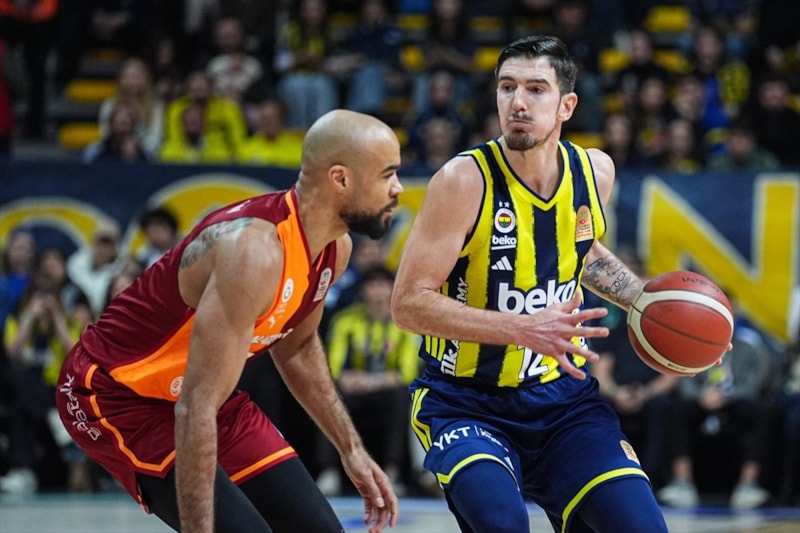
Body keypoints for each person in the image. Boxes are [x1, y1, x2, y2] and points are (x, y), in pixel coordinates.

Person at [55, 109, 401, 533]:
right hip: (116, 394)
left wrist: (351, 449)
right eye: (387, 175)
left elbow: (296, 345)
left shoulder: (335, 247)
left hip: (206, 395)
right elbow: (194, 406)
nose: (397, 188)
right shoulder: (252, 252)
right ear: (340, 179)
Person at [390, 35, 669, 532]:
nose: (517, 102)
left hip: (562, 401)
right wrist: (523, 328)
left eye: (536, 89)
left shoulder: (594, 171)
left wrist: (651, 305)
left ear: (567, 105)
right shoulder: (462, 180)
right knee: (502, 523)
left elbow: (580, 251)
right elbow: (408, 304)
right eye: (507, 87)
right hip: (465, 401)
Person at [316, 265, 420, 497]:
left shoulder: (405, 322)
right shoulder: (345, 320)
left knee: (401, 397)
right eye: (372, 285)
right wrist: (345, 377)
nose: (377, 291)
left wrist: (373, 381)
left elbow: (408, 372)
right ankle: (329, 472)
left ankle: (393, 472)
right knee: (328, 394)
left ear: (392, 288)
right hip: (354, 390)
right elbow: (333, 365)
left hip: (386, 391)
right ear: (363, 290)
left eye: (383, 284)